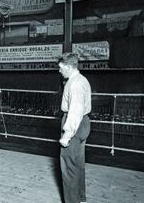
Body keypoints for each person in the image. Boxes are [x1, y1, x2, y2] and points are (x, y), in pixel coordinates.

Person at [58, 53, 92, 203]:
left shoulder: (75, 84)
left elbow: (75, 110)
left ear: (68, 66)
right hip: (83, 123)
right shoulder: (81, 80)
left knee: (68, 167)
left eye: (60, 68)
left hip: (75, 124)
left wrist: (67, 134)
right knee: (78, 163)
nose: (59, 71)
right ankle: (80, 198)